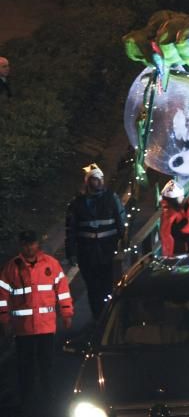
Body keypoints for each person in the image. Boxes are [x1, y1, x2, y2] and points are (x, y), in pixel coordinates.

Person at [0, 231, 74, 415]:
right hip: (23, 328)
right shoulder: (12, 268)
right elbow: (2, 296)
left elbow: (62, 290)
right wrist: (4, 320)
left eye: (31, 244)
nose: (29, 248)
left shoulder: (51, 264)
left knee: (46, 364)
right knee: (25, 366)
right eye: (25, 244)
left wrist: (66, 313)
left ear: (37, 244)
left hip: (46, 327)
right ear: (20, 245)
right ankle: (28, 401)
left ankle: (49, 399)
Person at [65, 164, 126, 319]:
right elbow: (70, 230)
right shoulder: (77, 203)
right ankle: (98, 318)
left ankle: (109, 317)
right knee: (93, 288)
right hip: (87, 253)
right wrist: (71, 253)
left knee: (108, 286)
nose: (99, 182)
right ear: (88, 182)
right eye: (95, 179)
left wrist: (123, 244)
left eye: (100, 179)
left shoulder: (111, 198)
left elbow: (121, 222)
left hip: (107, 251)